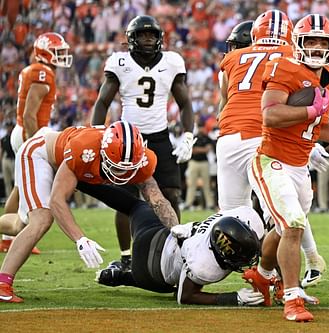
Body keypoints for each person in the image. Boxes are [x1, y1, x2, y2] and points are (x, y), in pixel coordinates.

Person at [242, 14, 329, 322]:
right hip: (271, 160)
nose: (315, 47)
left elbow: (317, 127)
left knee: (283, 228)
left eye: (321, 41)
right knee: (294, 225)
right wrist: (310, 109)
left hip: (299, 166)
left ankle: (261, 275)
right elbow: (270, 115)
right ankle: (292, 297)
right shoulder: (284, 67)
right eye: (309, 40)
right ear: (297, 43)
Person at [0, 120, 178, 303]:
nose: (121, 173)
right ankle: (2, 284)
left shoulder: (143, 159)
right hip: (40, 156)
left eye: (127, 168)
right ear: (103, 151)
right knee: (42, 219)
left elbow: (158, 200)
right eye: (115, 166)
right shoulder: (85, 149)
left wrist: (178, 232)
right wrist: (80, 239)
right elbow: (57, 200)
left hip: (69, 163)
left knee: (20, 225)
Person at [217, 11, 329, 288]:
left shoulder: (232, 58)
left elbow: (224, 102)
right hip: (267, 138)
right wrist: (308, 140)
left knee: (232, 217)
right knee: (283, 216)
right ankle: (285, 277)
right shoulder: (294, 55)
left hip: (229, 138)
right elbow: (304, 98)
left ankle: (205, 273)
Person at [91, 15, 194, 270]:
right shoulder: (120, 62)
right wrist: (95, 132)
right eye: (142, 35)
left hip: (159, 136)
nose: (147, 39)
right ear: (131, 39)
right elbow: (103, 102)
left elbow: (185, 104)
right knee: (125, 199)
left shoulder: (172, 62)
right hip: (126, 138)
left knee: (171, 194)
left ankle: (173, 254)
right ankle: (127, 257)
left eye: (151, 35)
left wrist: (188, 135)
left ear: (159, 38)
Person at [87, 182, 266, 306]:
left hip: (159, 236)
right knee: (173, 286)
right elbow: (184, 296)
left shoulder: (245, 216)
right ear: (223, 255)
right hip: (150, 269)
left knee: (134, 206)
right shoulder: (204, 265)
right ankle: (120, 276)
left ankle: (81, 182)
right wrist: (233, 298)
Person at [0, 32, 73, 254]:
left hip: (23, 131)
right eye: (57, 52)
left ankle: (6, 238)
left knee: (19, 188)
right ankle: (16, 233)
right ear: (44, 52)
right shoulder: (43, 72)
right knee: (27, 193)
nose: (61, 56)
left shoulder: (37, 70)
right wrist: (34, 144)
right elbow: (30, 113)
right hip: (29, 132)